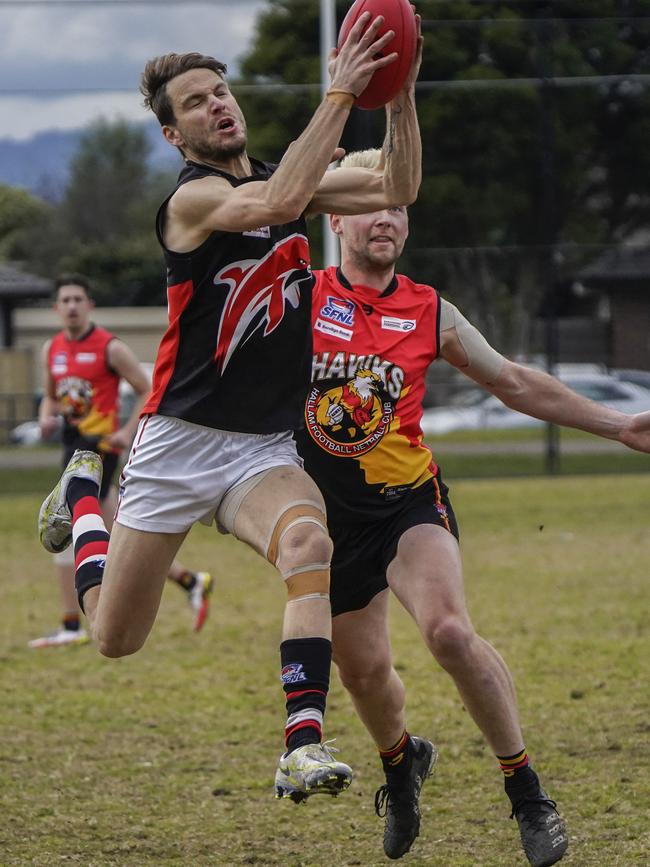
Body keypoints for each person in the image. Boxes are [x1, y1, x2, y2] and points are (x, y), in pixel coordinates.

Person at [38, 11, 423, 804]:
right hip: (176, 442)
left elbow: (397, 184)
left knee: (308, 540)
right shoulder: (193, 200)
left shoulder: (282, 174)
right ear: (176, 137)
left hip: (260, 448)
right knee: (115, 637)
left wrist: (401, 94)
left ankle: (302, 743)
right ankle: (83, 494)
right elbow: (277, 198)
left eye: (221, 90)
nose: (218, 104)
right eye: (196, 102)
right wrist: (342, 91)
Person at [294, 149, 650, 865]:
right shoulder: (300, 299)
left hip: (407, 507)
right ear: (335, 215)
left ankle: (527, 792)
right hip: (328, 525)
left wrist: (619, 425)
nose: (388, 216)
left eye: (397, 204)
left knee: (451, 632)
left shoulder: (430, 311)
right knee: (362, 673)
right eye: (370, 202)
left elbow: (515, 382)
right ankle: (401, 765)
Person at [30, 274, 214, 648]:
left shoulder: (109, 347)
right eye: (64, 300)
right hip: (71, 445)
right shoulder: (52, 349)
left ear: (90, 305)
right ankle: (190, 581)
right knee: (117, 532)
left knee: (70, 528)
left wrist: (126, 432)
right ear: (55, 308)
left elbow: (148, 389)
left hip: (101, 450)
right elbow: (51, 396)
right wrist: (45, 416)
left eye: (78, 299)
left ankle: (70, 623)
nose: (71, 306)